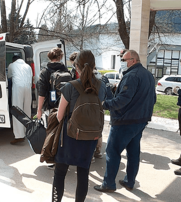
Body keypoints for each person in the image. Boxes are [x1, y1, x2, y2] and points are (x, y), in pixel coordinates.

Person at [94, 50, 156, 192]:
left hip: (125, 121)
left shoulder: (131, 76)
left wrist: (105, 104)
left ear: (133, 60)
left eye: (124, 60)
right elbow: (153, 99)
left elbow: (122, 100)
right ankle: (129, 182)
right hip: (140, 121)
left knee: (112, 151)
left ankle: (108, 184)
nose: (123, 62)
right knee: (133, 153)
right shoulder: (148, 75)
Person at [52, 50, 107, 202]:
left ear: (76, 67)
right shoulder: (101, 87)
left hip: (69, 136)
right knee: (83, 174)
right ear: (94, 65)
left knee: (60, 172)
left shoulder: (70, 87)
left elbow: (60, 116)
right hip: (90, 137)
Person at [37, 47, 68, 169]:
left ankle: (51, 159)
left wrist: (39, 109)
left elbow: (41, 93)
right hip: (64, 105)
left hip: (50, 107)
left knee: (50, 132)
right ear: (60, 57)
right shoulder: (65, 69)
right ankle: (63, 156)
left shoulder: (45, 71)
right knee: (62, 131)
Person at [8, 55, 33, 144]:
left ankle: (19, 136)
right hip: (28, 88)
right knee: (27, 111)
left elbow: (9, 76)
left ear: (13, 60)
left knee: (17, 110)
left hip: (18, 88)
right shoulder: (28, 66)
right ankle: (29, 133)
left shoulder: (12, 65)